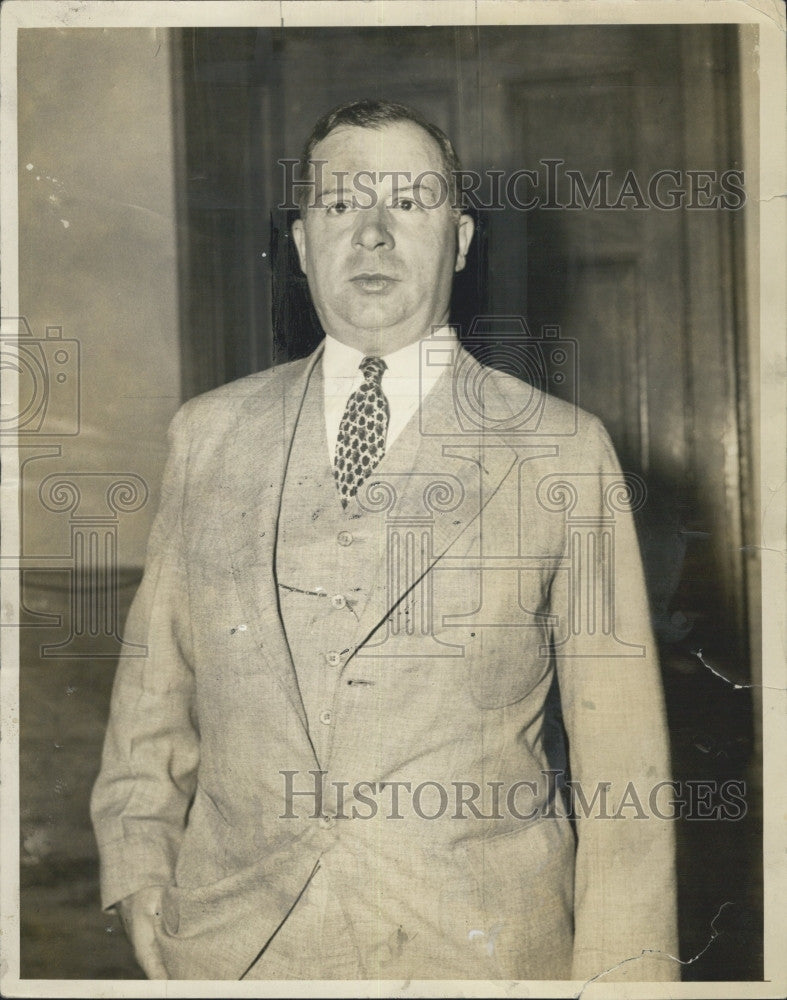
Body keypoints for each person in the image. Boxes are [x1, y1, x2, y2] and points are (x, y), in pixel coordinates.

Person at [91, 99, 679, 982]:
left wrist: (622, 976)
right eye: (338, 206)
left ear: (462, 237)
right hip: (233, 948)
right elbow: (153, 693)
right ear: (300, 243)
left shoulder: (561, 448)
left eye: (407, 203)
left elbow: (624, 765)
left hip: (476, 953)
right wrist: (138, 872)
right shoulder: (207, 435)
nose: (370, 234)